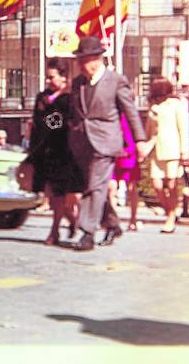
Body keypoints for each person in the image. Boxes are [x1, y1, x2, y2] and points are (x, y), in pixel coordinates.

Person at [68, 36, 146, 251]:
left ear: (98, 59)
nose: (83, 65)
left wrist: (139, 140)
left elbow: (131, 112)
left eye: (86, 60)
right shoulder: (78, 83)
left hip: (106, 142)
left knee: (94, 187)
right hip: (82, 142)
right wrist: (49, 126)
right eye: (80, 60)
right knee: (93, 187)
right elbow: (70, 113)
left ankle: (87, 232)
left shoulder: (116, 81)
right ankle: (112, 223)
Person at [28, 59, 84, 245]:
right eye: (47, 77)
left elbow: (60, 123)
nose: (48, 81)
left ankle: (54, 232)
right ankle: (73, 220)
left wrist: (49, 115)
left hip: (65, 152)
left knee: (60, 194)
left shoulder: (70, 98)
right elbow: (37, 123)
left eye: (52, 77)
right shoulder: (42, 97)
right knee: (51, 197)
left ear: (63, 77)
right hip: (45, 152)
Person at [144, 77, 189, 233]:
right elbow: (148, 130)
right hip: (156, 150)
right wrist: (144, 147)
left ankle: (171, 216)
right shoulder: (153, 107)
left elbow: (183, 128)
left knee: (171, 184)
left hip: (173, 150)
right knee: (157, 185)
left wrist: (184, 151)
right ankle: (170, 209)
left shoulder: (177, 105)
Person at [108, 114, 141, 231]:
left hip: (129, 154)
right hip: (113, 153)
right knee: (111, 187)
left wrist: (134, 149)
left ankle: (133, 219)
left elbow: (137, 132)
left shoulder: (130, 114)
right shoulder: (111, 112)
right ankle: (113, 221)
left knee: (131, 187)